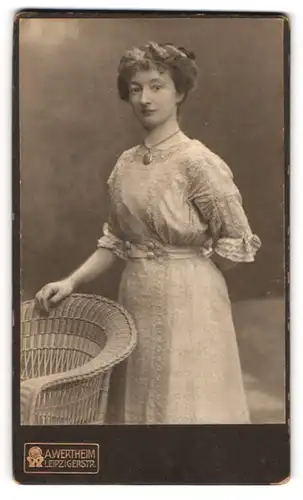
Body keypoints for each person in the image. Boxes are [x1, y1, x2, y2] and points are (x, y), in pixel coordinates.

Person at [35, 41, 261, 424]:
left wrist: (192, 277)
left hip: (190, 299)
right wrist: (71, 282)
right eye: (136, 88)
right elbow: (115, 241)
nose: (145, 98)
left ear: (180, 92)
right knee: (139, 407)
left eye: (157, 86)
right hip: (134, 296)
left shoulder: (197, 162)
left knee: (186, 405)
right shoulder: (124, 165)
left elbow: (237, 241)